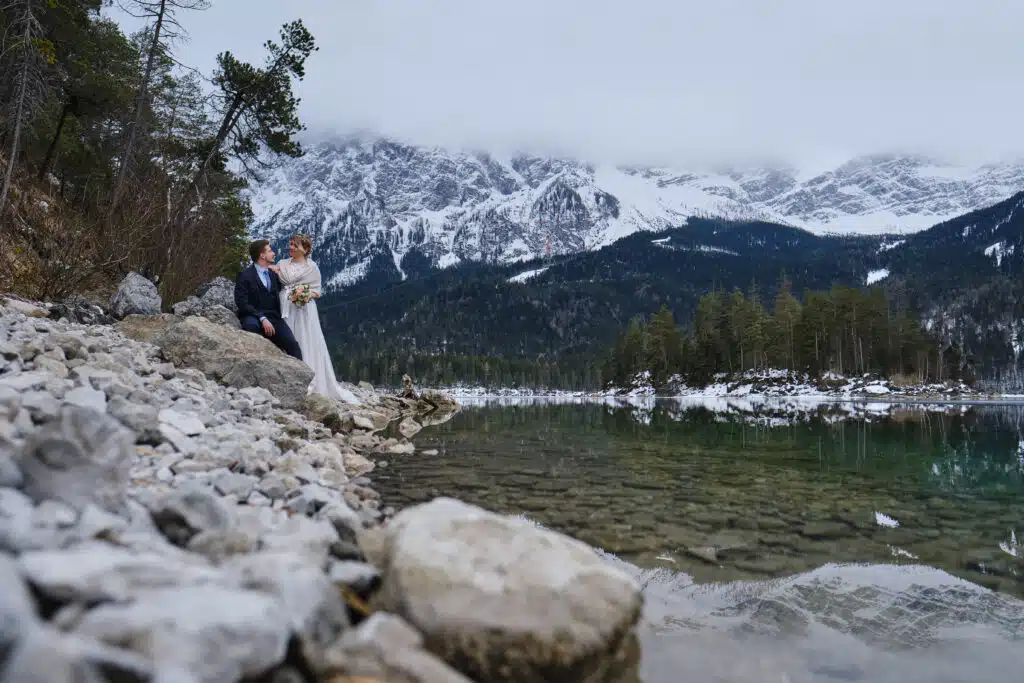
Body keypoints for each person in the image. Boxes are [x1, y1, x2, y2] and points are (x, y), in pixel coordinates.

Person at [270, 234, 360, 404]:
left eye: (295, 245)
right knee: (287, 337)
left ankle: (309, 378)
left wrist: (304, 294)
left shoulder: (312, 267)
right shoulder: (282, 264)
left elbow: (317, 291)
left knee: (305, 338)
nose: (291, 247)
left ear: (305, 249)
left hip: (304, 308)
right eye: (290, 244)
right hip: (285, 305)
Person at [234, 239, 303, 360]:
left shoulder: (273, 274)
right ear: (262, 255)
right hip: (253, 316)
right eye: (270, 251)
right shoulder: (245, 275)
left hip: (274, 318)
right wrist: (262, 318)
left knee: (293, 346)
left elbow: (286, 288)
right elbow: (241, 302)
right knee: (252, 328)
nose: (274, 253)